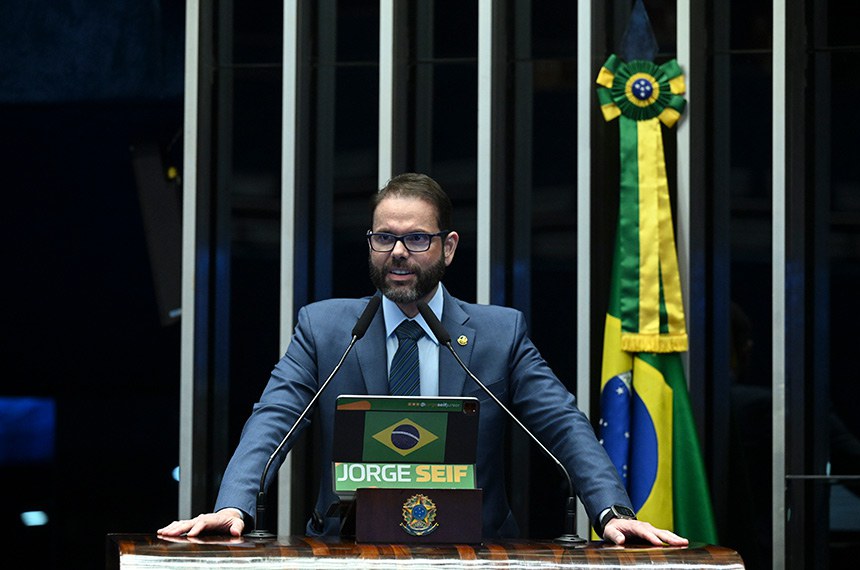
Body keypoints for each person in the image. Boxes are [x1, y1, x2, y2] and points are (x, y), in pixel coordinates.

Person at [159, 173, 687, 546]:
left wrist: (610, 510)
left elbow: (563, 424)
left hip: (475, 551)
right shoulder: (326, 329)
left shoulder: (498, 334)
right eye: (384, 237)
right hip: (350, 549)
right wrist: (234, 505)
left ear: (448, 247)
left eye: (416, 238)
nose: (398, 252)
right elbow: (273, 419)